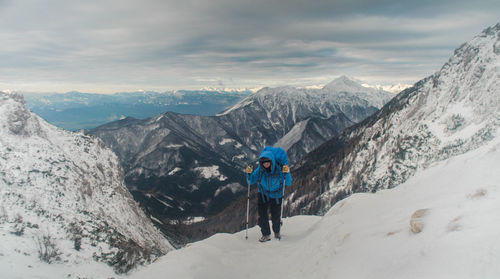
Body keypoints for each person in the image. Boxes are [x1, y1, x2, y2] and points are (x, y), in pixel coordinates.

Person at [245, 148, 292, 242]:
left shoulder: (279, 169)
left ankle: (277, 231)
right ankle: (266, 234)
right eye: (263, 162)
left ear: (272, 161)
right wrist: (248, 174)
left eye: (267, 162)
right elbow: (251, 181)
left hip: (276, 195)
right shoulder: (260, 170)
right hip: (263, 193)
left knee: (275, 216)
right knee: (262, 215)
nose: (265, 164)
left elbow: (288, 182)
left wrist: (287, 173)